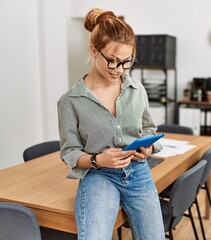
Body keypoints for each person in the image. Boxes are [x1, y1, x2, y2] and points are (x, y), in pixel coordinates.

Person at [57, 8, 164, 240]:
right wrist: (98, 160)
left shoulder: (137, 90)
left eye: (127, 62)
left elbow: (148, 130)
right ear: (93, 51)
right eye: (112, 61)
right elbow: (70, 152)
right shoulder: (70, 101)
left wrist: (149, 148)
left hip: (139, 173)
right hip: (99, 176)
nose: (119, 70)